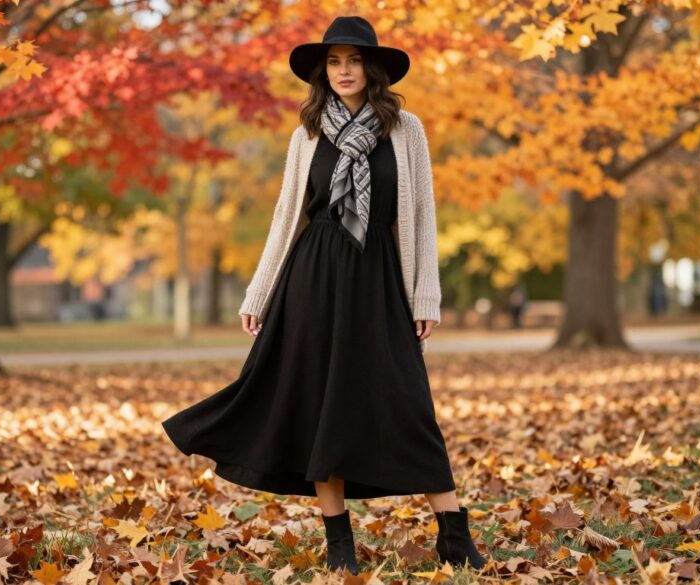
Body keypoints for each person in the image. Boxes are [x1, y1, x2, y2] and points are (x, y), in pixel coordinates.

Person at [160, 15, 488, 576]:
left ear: (373, 68)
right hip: (312, 278)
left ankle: (453, 536)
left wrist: (425, 296)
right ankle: (340, 542)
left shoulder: (405, 130)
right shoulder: (306, 135)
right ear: (323, 72)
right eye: (334, 62)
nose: (344, 71)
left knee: (409, 402)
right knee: (320, 406)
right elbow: (288, 216)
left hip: (378, 277)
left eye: (354, 60)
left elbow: (421, 215)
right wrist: (259, 292)